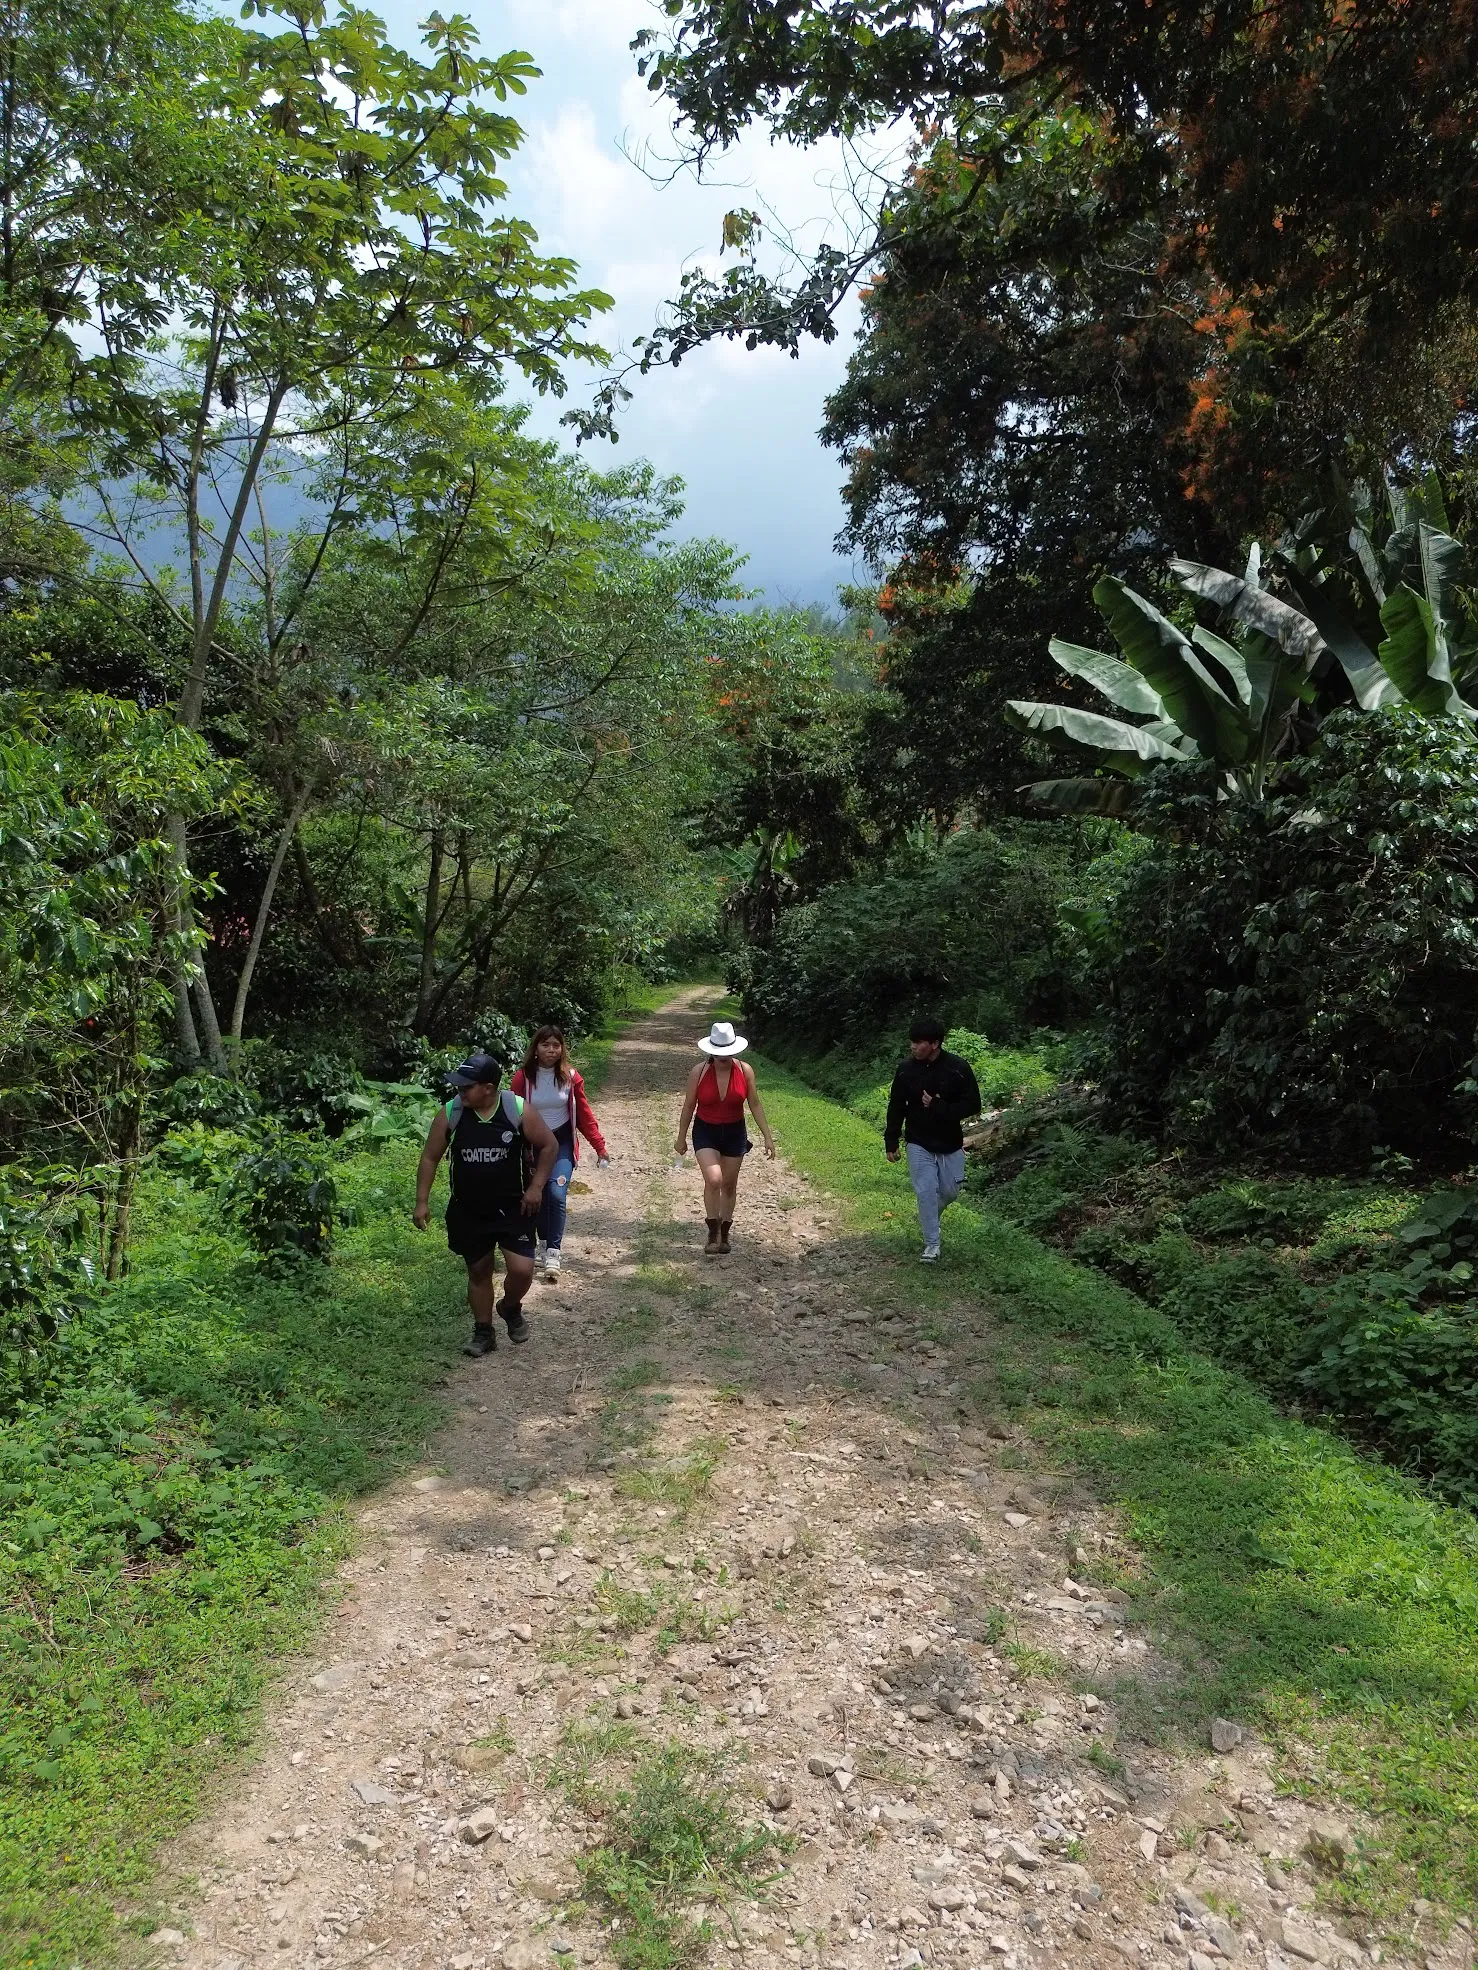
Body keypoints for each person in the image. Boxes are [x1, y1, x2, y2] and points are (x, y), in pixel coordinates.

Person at [413, 1051, 559, 1355]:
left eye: (466, 1087)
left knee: (522, 1270)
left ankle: (509, 1307)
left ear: (488, 1088)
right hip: (468, 1209)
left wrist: (536, 1187)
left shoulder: (516, 1109)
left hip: (514, 1207)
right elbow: (430, 1157)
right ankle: (483, 1332)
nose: (460, 1092)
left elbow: (549, 1145)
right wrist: (421, 1201)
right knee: (478, 1271)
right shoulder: (452, 1112)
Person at [509, 1024, 610, 1282]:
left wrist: (599, 1146)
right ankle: (542, 1244)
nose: (551, 1050)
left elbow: (584, 1116)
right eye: (545, 1045)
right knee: (537, 1196)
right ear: (536, 1048)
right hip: (533, 1146)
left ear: (562, 1048)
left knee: (556, 1193)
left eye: (556, 1045)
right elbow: (511, 1114)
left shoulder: (571, 1077)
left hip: (562, 1141)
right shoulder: (523, 1078)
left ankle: (554, 1251)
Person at [884, 1017, 982, 1262]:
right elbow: (896, 1105)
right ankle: (931, 1245)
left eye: (919, 1043)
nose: (913, 1047)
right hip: (918, 1140)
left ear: (935, 1044)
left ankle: (928, 1216)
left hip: (950, 1140)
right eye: (912, 1042)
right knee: (926, 1190)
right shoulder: (906, 1069)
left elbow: (973, 1104)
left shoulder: (957, 1068)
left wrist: (940, 1106)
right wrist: (892, 1139)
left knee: (950, 1192)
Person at [674, 1019, 775, 1256]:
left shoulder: (744, 1070)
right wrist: (681, 1138)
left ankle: (725, 1232)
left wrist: (767, 1137)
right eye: (718, 1052)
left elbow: (755, 1104)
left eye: (726, 1052)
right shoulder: (699, 1072)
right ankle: (712, 1231)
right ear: (710, 1050)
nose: (723, 1057)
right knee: (714, 1179)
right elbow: (689, 1105)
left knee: (729, 1185)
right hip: (705, 1130)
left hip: (734, 1131)